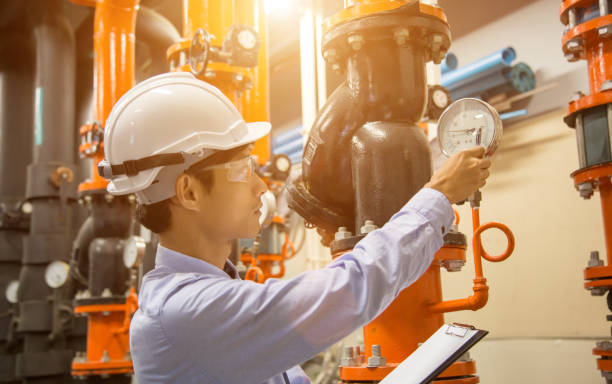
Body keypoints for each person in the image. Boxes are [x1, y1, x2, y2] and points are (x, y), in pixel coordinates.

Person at [100, 72, 490, 384]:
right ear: (188, 191)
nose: (260, 185)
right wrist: (438, 194)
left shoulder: (218, 295)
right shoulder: (183, 313)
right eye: (242, 170)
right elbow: (348, 290)